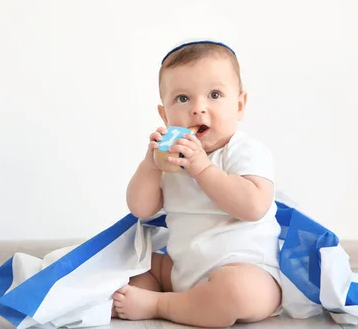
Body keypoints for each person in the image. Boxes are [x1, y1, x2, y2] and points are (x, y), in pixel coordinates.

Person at [112, 41, 282, 327]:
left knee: (236, 291)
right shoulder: (171, 158)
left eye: (214, 95)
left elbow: (253, 206)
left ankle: (161, 304)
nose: (198, 109)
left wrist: (203, 169)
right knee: (129, 265)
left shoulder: (244, 151)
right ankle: (179, 299)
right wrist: (150, 165)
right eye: (182, 99)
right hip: (183, 269)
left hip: (248, 271)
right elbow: (141, 208)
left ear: (239, 105)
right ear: (165, 115)